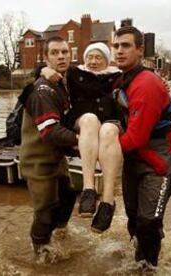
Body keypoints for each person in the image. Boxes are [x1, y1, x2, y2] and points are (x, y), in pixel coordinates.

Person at [112, 26, 171, 267]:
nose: (119, 51)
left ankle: (148, 268)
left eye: (126, 46)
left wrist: (101, 151)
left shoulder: (146, 84)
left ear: (140, 50)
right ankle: (138, 260)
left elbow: (136, 139)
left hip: (157, 163)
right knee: (134, 218)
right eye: (116, 46)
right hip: (133, 159)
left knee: (148, 222)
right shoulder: (119, 79)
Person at [41, 42, 123, 233]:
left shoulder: (119, 76)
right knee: (90, 119)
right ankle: (88, 190)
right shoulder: (74, 73)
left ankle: (108, 202)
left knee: (108, 130)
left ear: (107, 60)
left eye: (98, 57)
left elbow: (141, 78)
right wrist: (44, 69)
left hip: (110, 122)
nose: (93, 61)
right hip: (82, 121)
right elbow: (48, 67)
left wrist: (162, 84)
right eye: (89, 57)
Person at [19, 36, 78, 254]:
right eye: (55, 52)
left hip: (56, 158)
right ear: (46, 58)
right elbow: (50, 131)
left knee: (68, 195)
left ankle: (60, 233)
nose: (61, 56)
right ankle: (40, 252)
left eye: (65, 52)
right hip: (38, 161)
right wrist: (83, 142)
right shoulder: (42, 90)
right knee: (44, 210)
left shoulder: (65, 81)